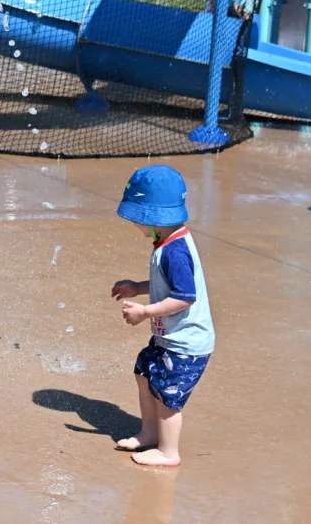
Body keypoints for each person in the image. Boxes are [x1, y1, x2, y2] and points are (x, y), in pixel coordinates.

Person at [111, 165, 215, 467]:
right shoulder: (166, 242)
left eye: (138, 220)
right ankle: (149, 432)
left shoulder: (175, 251)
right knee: (144, 374)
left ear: (152, 217)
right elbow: (165, 286)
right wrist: (138, 288)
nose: (137, 226)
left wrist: (145, 312)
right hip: (168, 337)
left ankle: (169, 452)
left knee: (168, 395)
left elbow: (184, 297)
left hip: (186, 344)